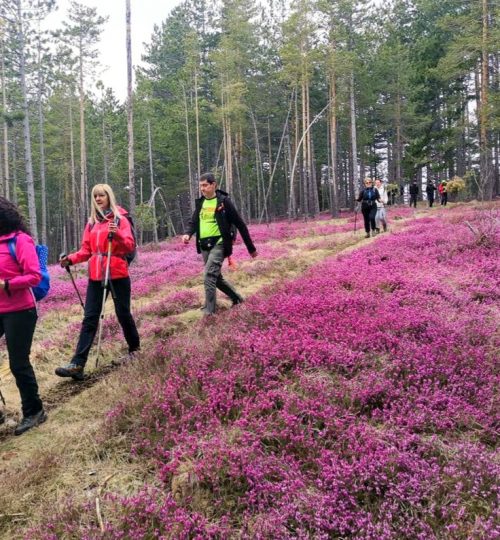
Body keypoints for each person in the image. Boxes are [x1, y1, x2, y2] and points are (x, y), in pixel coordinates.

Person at [55, 184, 140, 381]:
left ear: (109, 196)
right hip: (95, 275)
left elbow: (129, 245)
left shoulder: (120, 219)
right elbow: (86, 251)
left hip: (117, 273)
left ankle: (135, 349)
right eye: (95, 196)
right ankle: (77, 364)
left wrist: (117, 233)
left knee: (123, 314)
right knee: (90, 317)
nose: (99, 198)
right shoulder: (92, 223)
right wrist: (70, 259)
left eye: (102, 195)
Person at [0, 197, 46, 435]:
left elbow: (34, 276)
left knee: (18, 363)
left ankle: (34, 411)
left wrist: (6, 284)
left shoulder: (20, 240)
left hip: (20, 310)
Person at [183, 172, 257, 315]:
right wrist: (187, 234)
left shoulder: (223, 202)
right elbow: (193, 222)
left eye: (205, 185)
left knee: (209, 275)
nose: (202, 189)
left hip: (220, 243)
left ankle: (209, 311)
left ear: (213, 185)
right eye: (200, 186)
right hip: (204, 244)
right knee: (216, 278)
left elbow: (240, 224)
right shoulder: (201, 203)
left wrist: (251, 248)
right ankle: (237, 298)